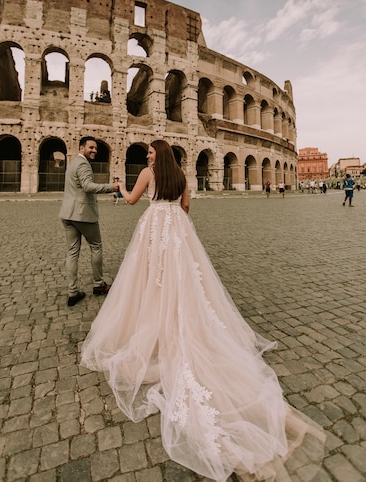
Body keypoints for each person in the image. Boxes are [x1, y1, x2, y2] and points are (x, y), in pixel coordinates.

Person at [81, 140, 325, 482]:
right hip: (177, 232)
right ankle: (173, 321)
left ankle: (154, 330)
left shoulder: (148, 174)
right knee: (182, 284)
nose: (148, 155)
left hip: (154, 230)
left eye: (151, 152)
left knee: (151, 282)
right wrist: (174, 228)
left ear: (157, 155)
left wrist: (120, 187)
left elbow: (133, 200)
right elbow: (185, 208)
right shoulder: (180, 175)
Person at [59, 136, 119, 306]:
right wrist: (111, 187)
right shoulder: (83, 164)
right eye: (91, 147)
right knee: (96, 246)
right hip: (83, 213)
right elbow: (87, 186)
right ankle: (99, 285)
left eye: (96, 149)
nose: (94, 151)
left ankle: (72, 292)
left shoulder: (72, 163)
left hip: (67, 213)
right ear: (81, 148)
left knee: (72, 252)